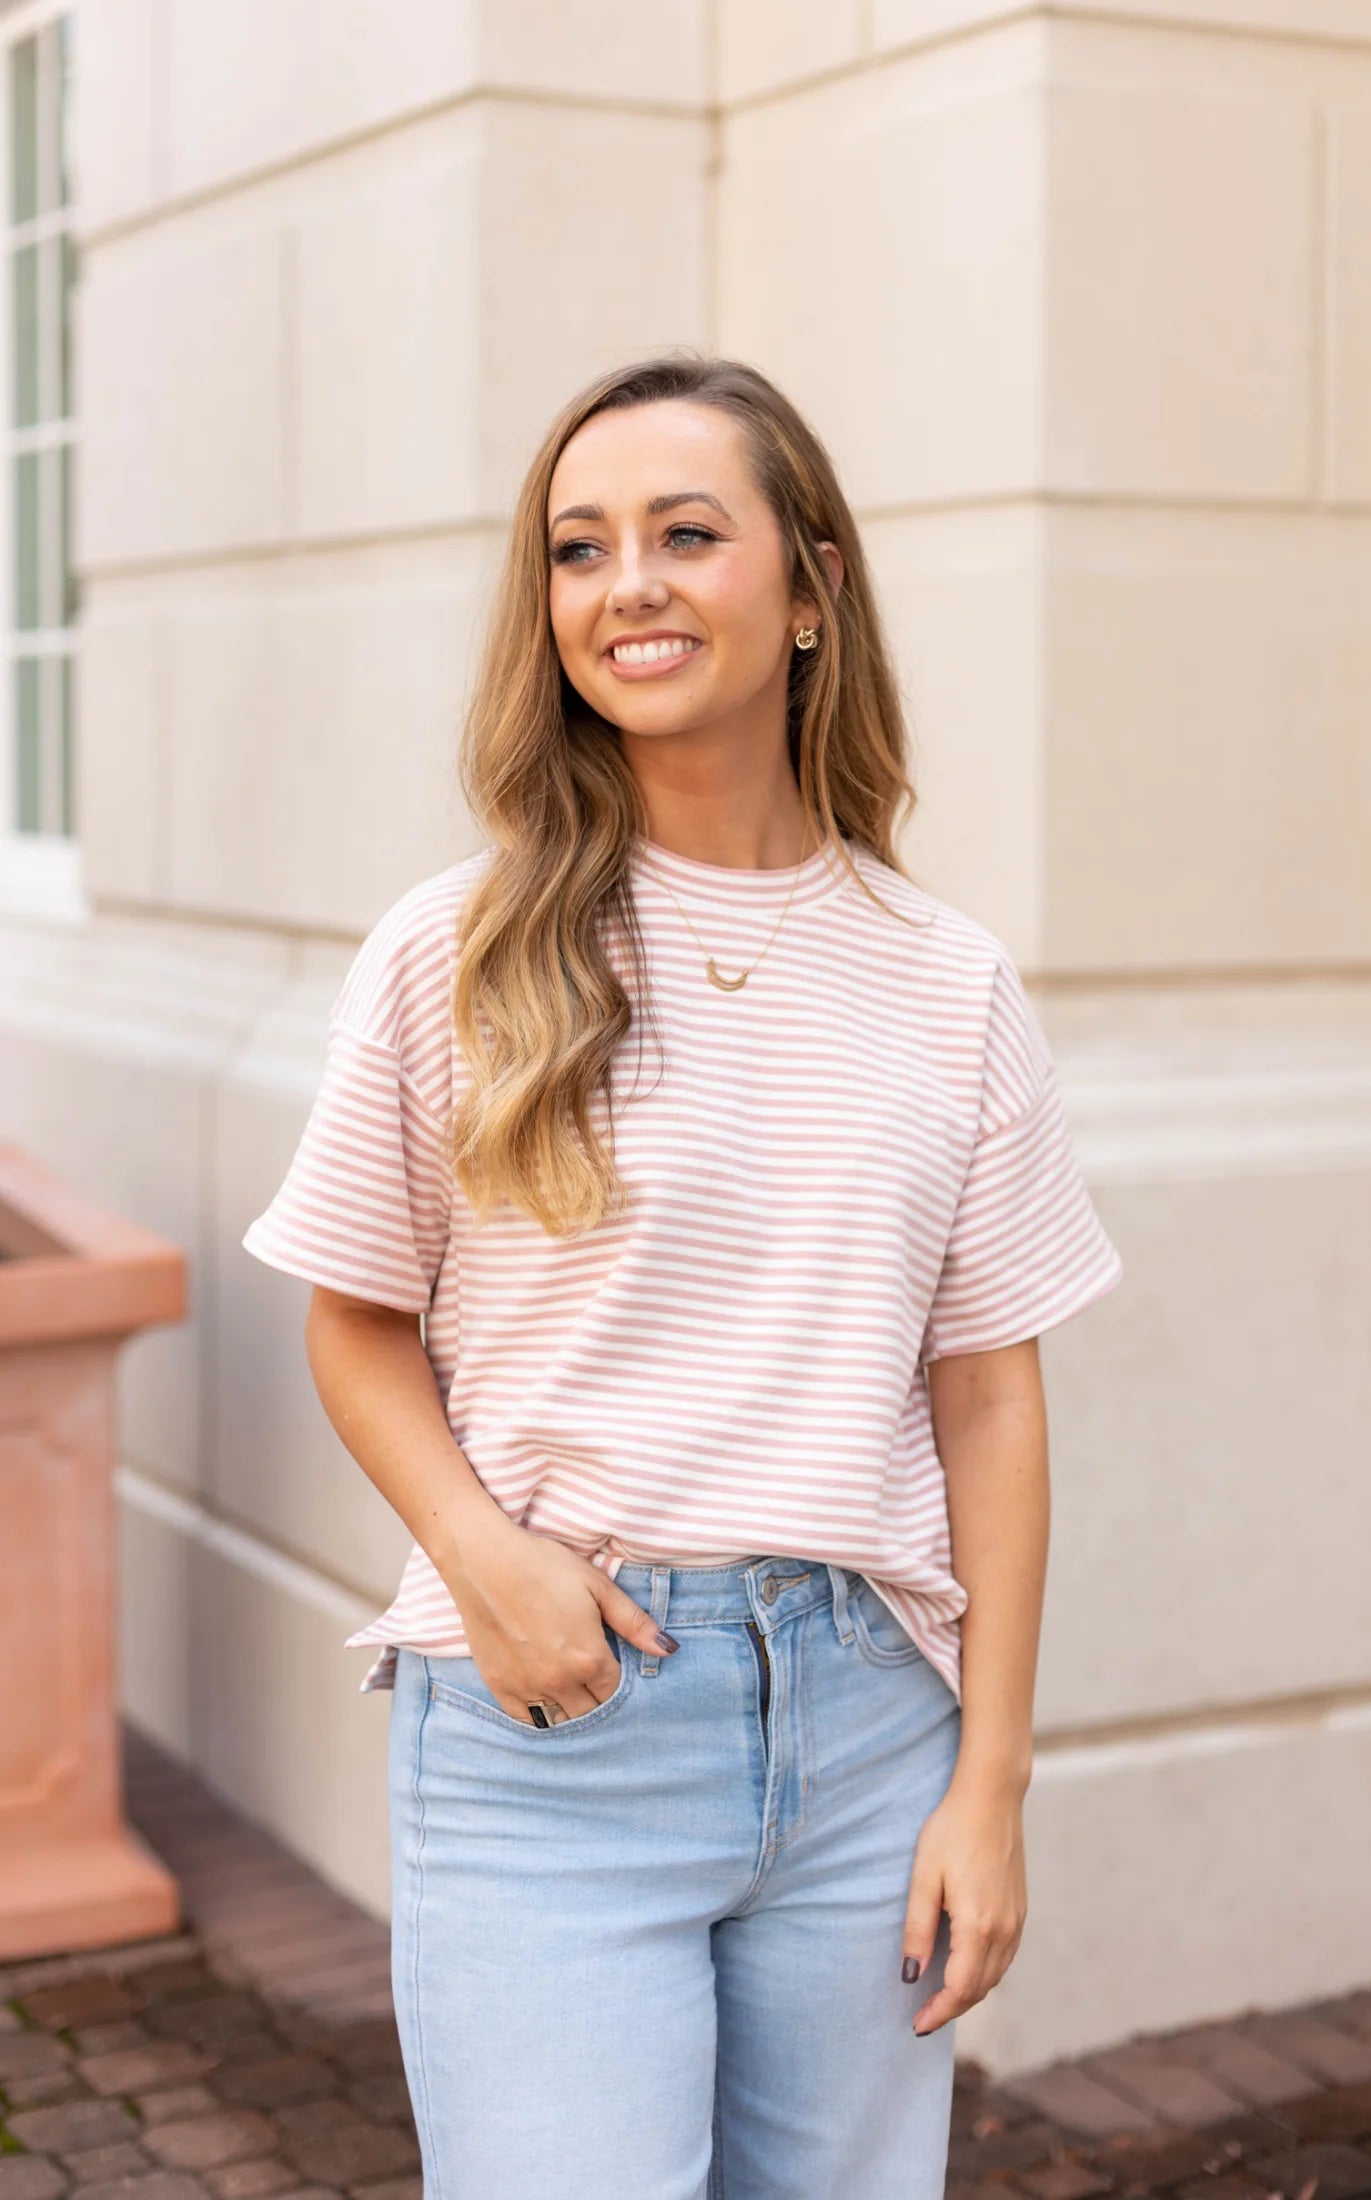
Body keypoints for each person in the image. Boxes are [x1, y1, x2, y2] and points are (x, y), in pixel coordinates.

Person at [242, 349, 1124, 2200]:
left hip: (873, 1714)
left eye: (684, 533)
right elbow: (353, 1317)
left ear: (808, 590)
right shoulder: (458, 949)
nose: (623, 582)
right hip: (557, 1719)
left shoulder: (941, 977)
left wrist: (994, 1778)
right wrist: (489, 1566)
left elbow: (986, 1391)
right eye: (577, 549)